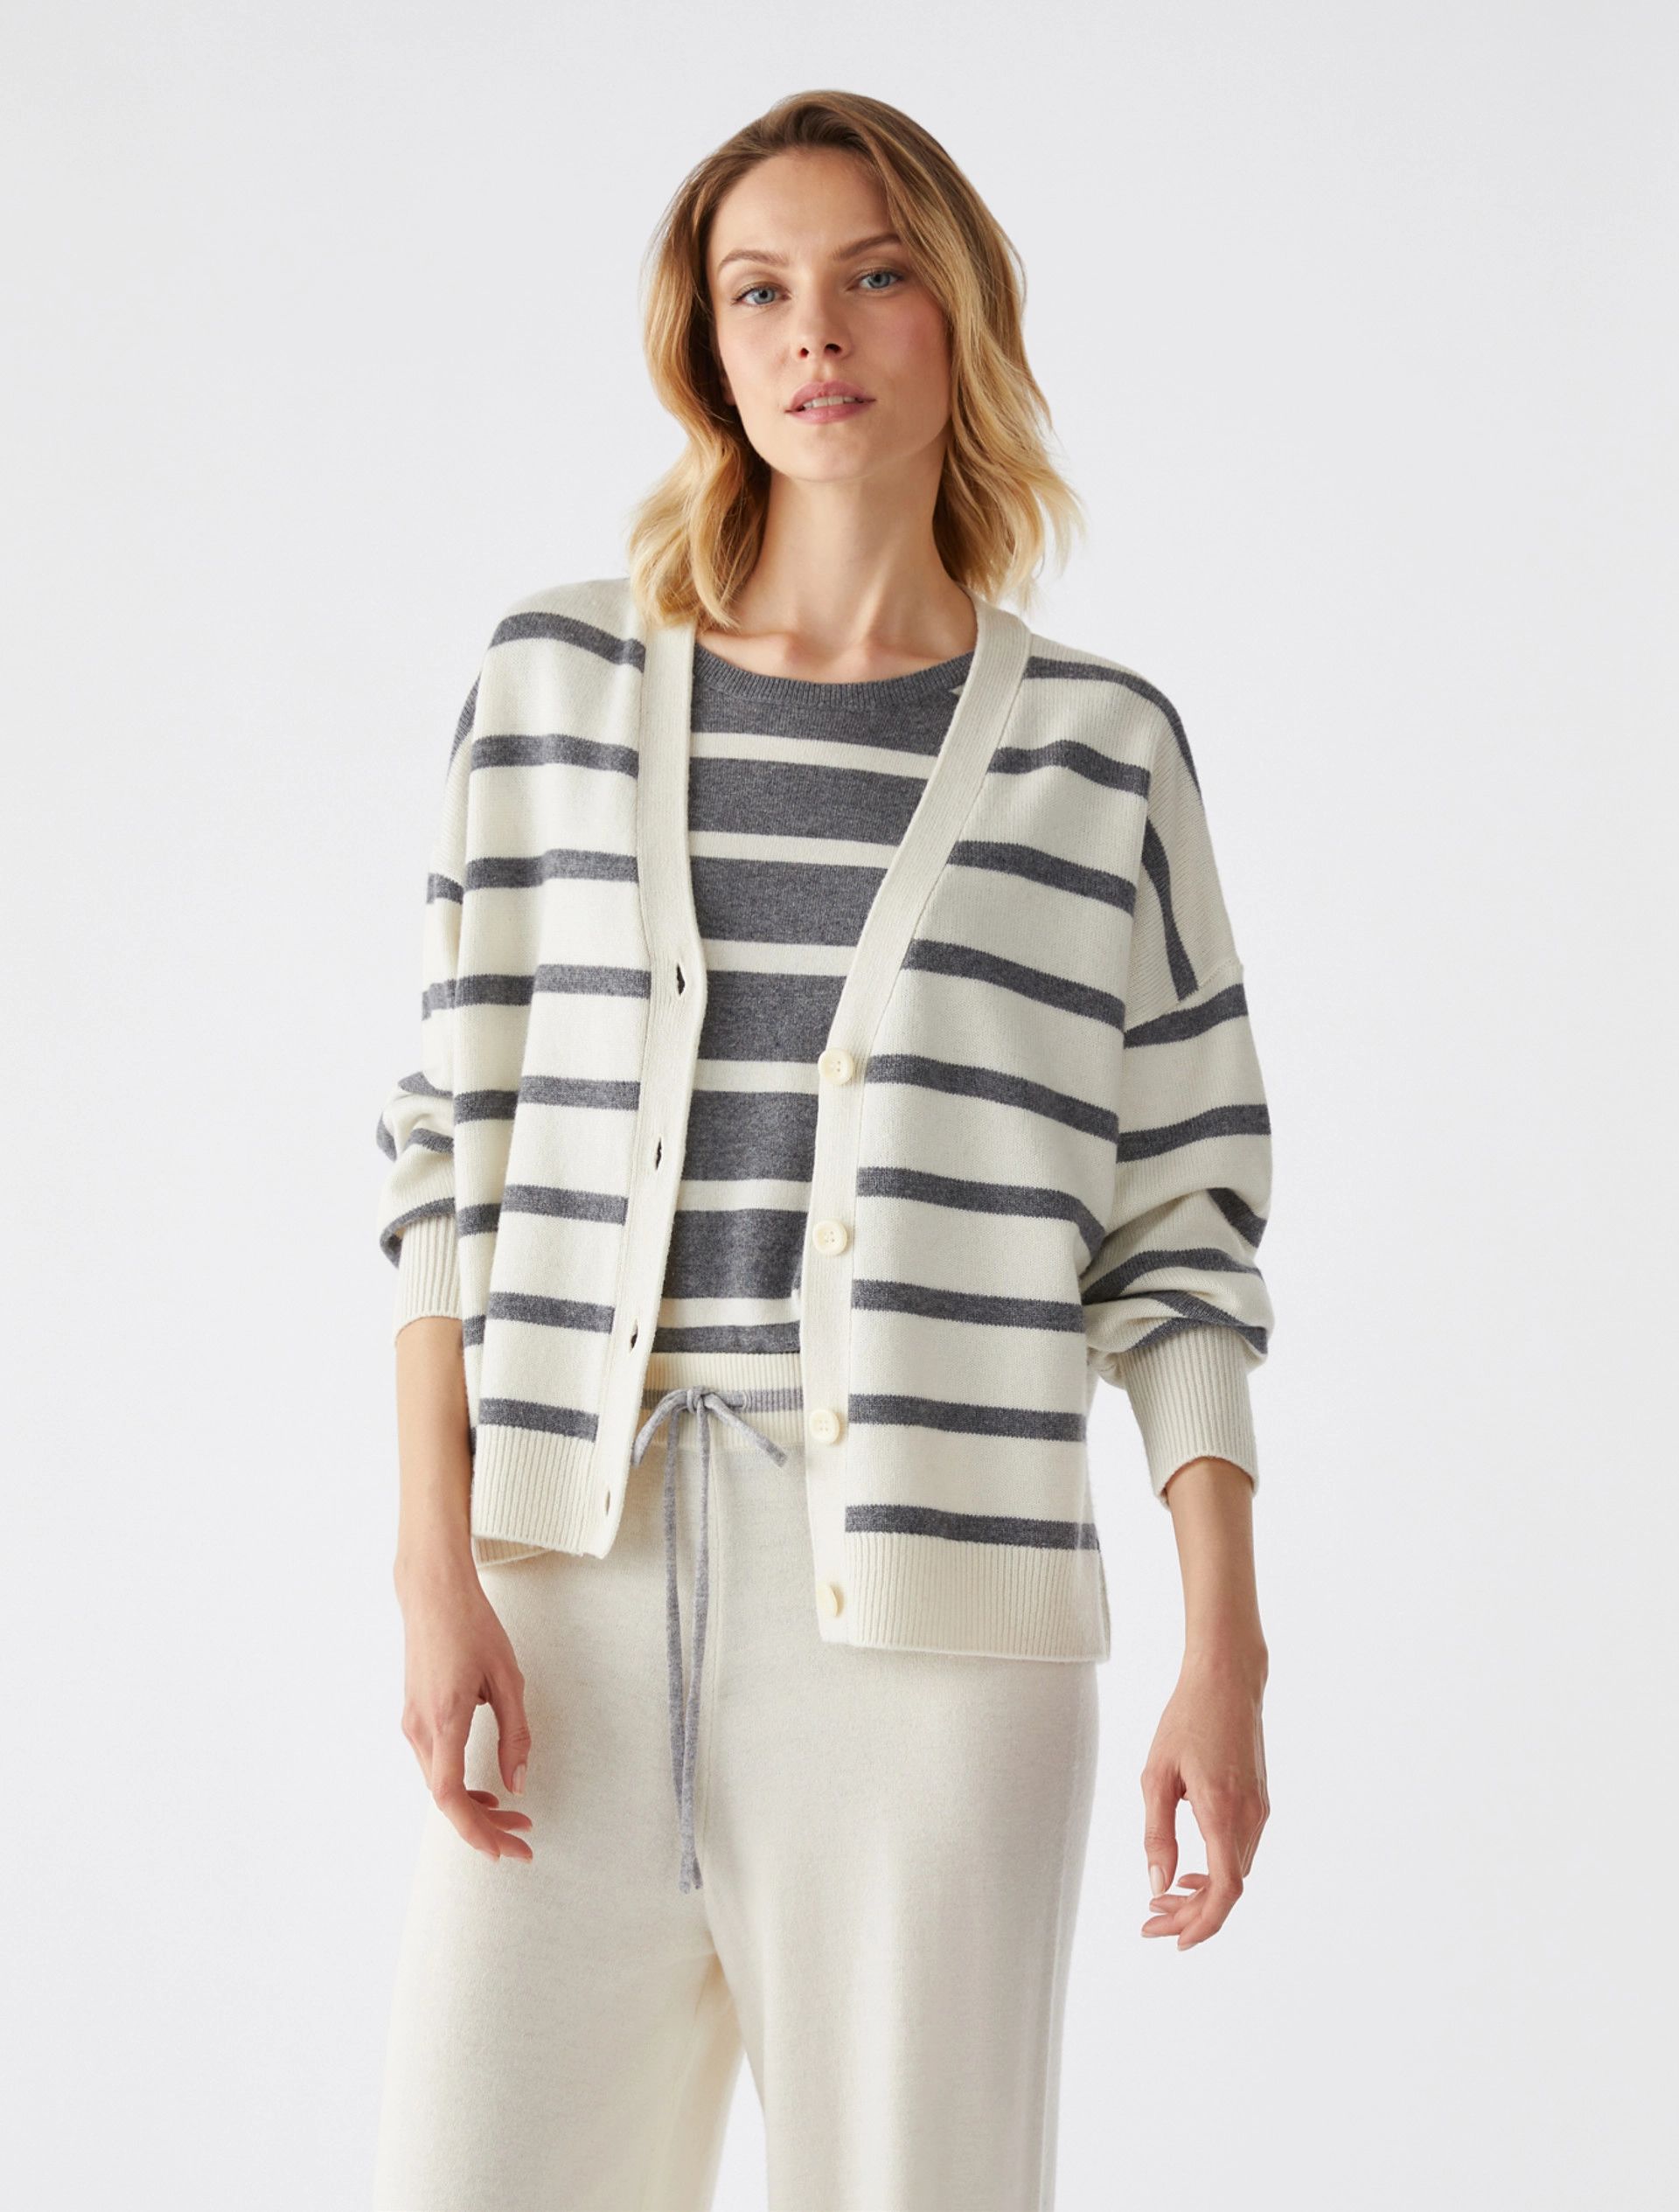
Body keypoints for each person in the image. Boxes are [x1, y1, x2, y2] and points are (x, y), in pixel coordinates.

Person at [370, 88, 1274, 2212]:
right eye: (758, 290)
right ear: (706, 344)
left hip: (938, 1650)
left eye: (872, 274)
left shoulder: (1101, 755)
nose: (816, 332)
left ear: (957, 314)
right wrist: (434, 1562)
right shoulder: (555, 682)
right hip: (568, 1597)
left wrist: (1223, 1648)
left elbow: (1182, 1232)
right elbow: (445, 1149)